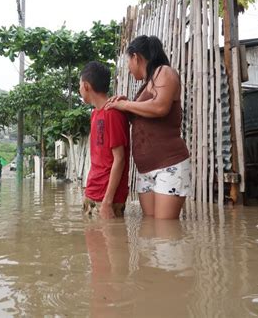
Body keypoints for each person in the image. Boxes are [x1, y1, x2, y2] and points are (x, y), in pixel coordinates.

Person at [106, 35, 190, 220]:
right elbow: (143, 120)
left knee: (166, 233)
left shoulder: (164, 72)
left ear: (136, 57)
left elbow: (160, 107)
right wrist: (124, 105)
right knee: (150, 230)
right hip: (146, 170)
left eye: (128, 61)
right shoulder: (145, 86)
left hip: (168, 165)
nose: (128, 68)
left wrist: (126, 106)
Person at [80, 61, 130, 219]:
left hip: (107, 199)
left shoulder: (113, 114)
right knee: (92, 242)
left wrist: (107, 202)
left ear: (86, 86)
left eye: (80, 85)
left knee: (109, 243)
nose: (79, 89)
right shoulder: (95, 114)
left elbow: (119, 159)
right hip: (92, 193)